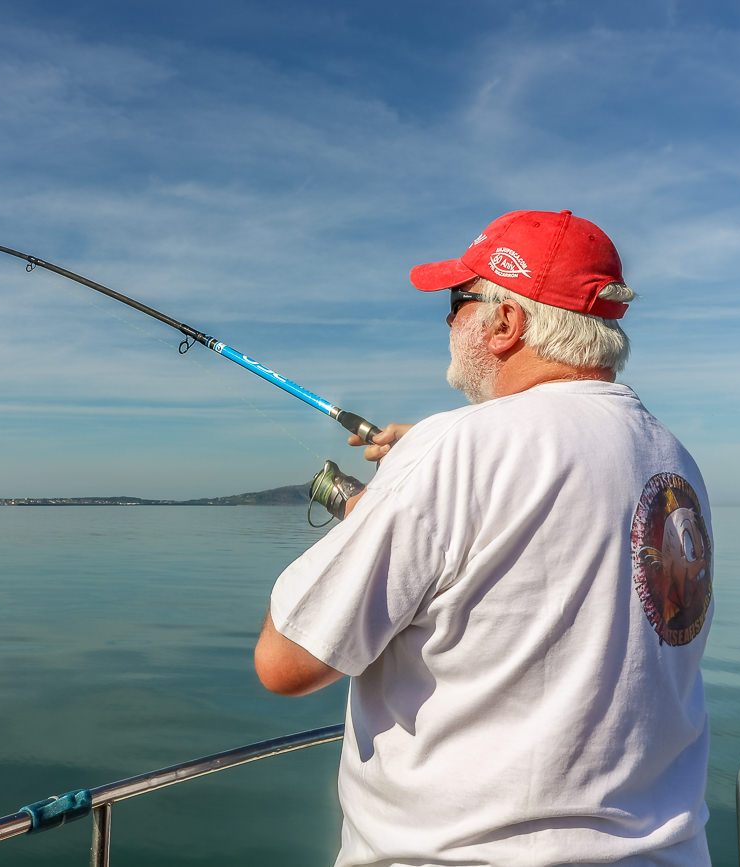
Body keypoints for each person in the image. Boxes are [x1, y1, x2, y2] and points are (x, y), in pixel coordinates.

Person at [255, 210, 715, 866]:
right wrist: (425, 471)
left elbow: (286, 661)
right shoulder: (675, 460)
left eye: (457, 302)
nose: (448, 323)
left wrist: (394, 494)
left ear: (506, 323)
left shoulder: (454, 449)